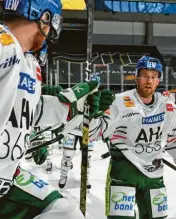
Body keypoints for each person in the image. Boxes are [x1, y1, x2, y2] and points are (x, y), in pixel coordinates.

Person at [0, 0, 109, 218]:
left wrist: (73, 106)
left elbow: (31, 110)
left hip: (7, 178)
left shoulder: (28, 62)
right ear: (45, 17)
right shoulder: (4, 44)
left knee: (64, 212)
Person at [88, 55, 176, 219]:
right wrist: (92, 115)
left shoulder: (168, 106)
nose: (149, 81)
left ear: (158, 80)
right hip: (124, 171)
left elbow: (172, 138)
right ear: (137, 78)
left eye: (154, 77)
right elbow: (92, 133)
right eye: (145, 75)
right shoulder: (119, 102)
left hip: (154, 175)